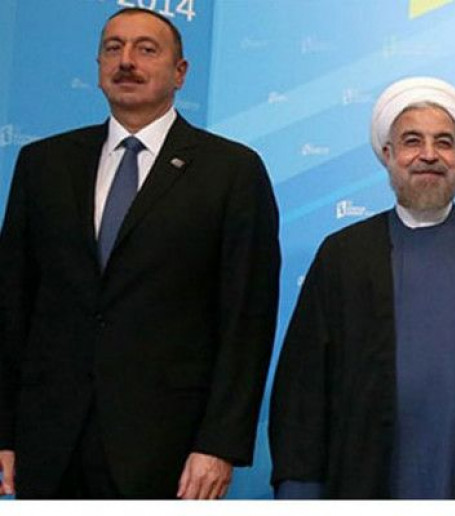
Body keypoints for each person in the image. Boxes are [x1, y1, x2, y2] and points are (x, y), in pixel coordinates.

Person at [0, 8, 280, 499]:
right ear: (98, 66)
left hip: (168, 450)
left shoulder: (231, 171)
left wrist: (219, 444)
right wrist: (3, 432)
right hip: (48, 443)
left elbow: (246, 322)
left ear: (180, 72)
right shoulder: (43, 164)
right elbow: (11, 307)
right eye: (114, 48)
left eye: (146, 49)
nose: (126, 60)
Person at [269, 77, 455, 498]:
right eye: (412, 141)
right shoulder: (344, 255)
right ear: (388, 154)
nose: (429, 155)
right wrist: (299, 491)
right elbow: (305, 386)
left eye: (444, 142)